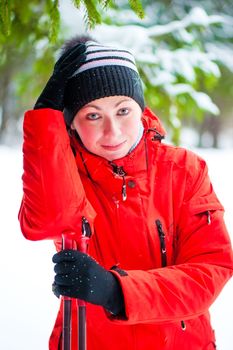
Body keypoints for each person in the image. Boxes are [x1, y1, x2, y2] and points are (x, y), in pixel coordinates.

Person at [19, 35, 233, 350]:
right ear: (71, 123)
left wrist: (117, 292)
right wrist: (45, 120)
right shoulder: (68, 174)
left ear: (140, 108)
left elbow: (211, 269)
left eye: (123, 110)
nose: (113, 131)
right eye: (93, 115)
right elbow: (45, 222)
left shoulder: (184, 170)